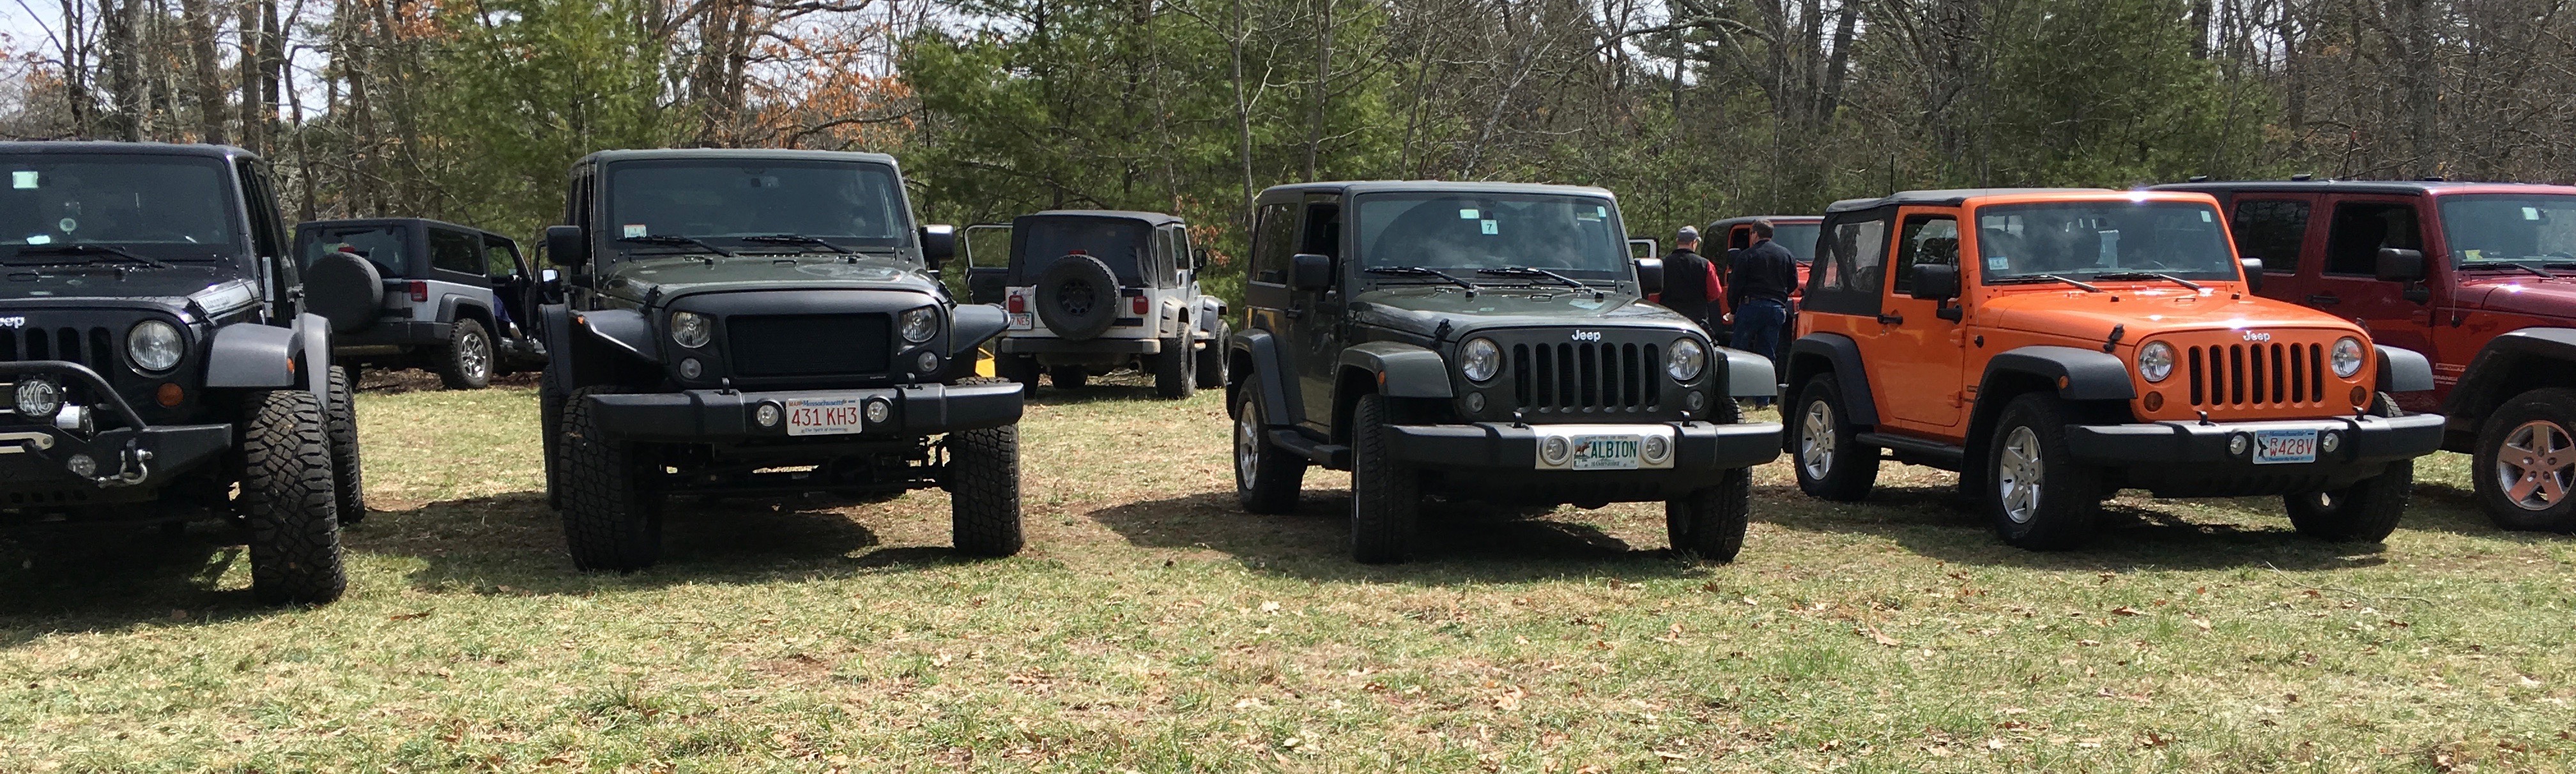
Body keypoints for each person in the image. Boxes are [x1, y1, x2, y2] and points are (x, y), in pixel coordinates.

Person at [1725, 219, 1797, 407]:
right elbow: (1793, 284)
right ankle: (1763, 400)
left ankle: (1733, 396)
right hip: (1775, 309)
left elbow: (1735, 286)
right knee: (1768, 354)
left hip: (1751, 307)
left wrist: (1733, 309)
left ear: (1755, 234)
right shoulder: (1786, 255)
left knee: (1739, 352)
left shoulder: (1747, 256)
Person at [1650, 225, 1724, 332]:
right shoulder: (1706, 265)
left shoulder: (1662, 264)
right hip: (1696, 323)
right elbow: (1715, 293)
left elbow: (1654, 297)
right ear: (1693, 243)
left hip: (1669, 322)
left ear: (1677, 241)